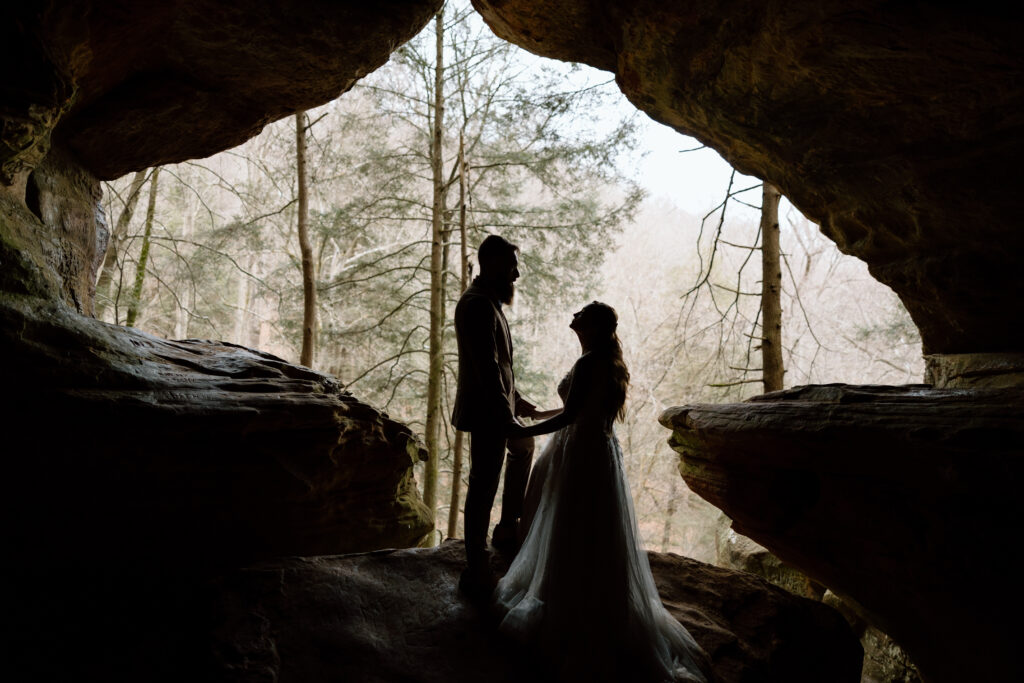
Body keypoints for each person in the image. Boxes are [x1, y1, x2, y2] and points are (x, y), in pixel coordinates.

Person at [498, 302, 713, 683]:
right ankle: (591, 598)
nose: (575, 315)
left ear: (593, 327)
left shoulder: (589, 362)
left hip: (581, 453)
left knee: (571, 526)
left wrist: (522, 431)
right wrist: (538, 415)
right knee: (590, 529)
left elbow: (571, 416)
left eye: (582, 313)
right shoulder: (599, 361)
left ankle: (567, 606)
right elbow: (577, 409)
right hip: (596, 450)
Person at [451, 234, 541, 600]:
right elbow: (486, 369)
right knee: (483, 484)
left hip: (499, 406)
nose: (516, 275)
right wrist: (506, 415)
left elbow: (501, 366)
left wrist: (516, 400)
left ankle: (506, 528)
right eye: (511, 267)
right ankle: (477, 564)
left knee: (524, 445)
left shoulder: (489, 302)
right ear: (491, 265)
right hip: (486, 412)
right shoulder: (477, 305)